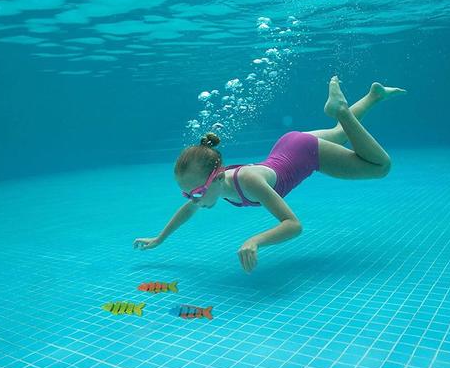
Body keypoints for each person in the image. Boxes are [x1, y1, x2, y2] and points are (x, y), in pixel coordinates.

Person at [133, 76, 406, 273]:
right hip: (288, 145)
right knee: (338, 134)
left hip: (306, 153)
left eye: (196, 193)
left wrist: (255, 240)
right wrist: (159, 239)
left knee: (381, 167)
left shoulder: (248, 181)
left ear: (216, 177)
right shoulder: (214, 186)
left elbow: (293, 225)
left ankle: (341, 110)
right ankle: (374, 95)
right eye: (187, 194)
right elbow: (189, 210)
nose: (193, 200)